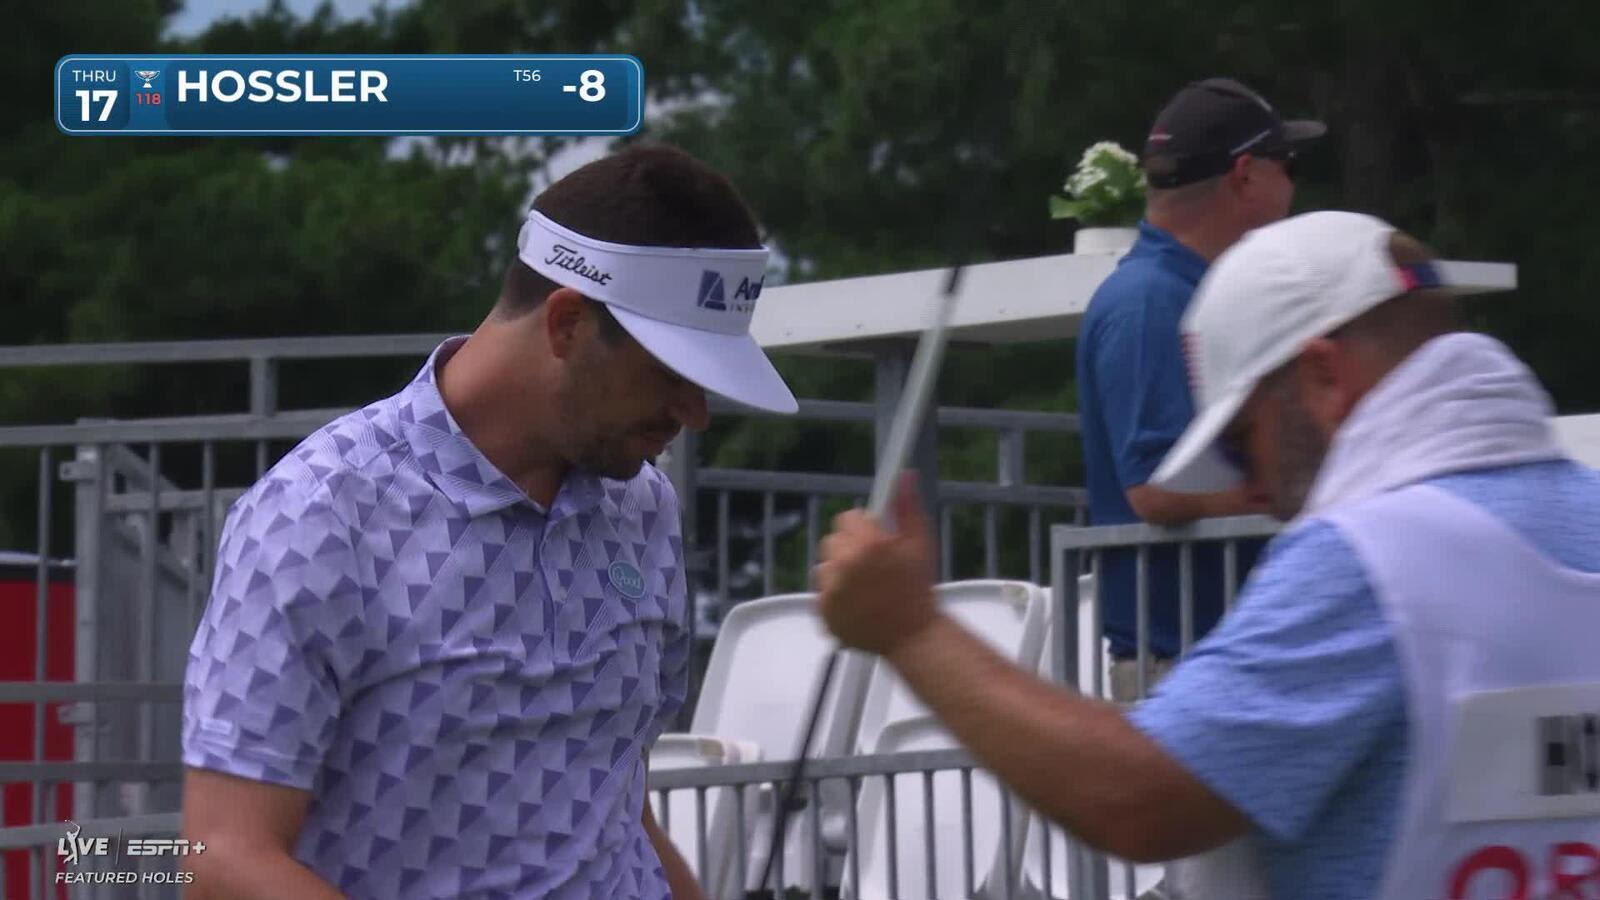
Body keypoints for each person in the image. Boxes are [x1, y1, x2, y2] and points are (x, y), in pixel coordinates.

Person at [816, 210, 1600, 898]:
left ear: (1322, 375)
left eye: (1239, 441)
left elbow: (1137, 797)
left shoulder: (1369, 560)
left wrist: (911, 628)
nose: (1253, 493)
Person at [180, 145, 798, 899]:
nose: (695, 416)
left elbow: (613, 806)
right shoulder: (318, 516)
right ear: (567, 322)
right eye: (670, 375)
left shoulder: (642, 504)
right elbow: (224, 859)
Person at [1076, 77, 1323, 696]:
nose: (1294, 186)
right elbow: (1155, 489)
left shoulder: (1186, 293)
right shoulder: (1151, 302)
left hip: (1208, 663)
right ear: (1245, 175)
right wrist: (1299, 493)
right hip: (1183, 671)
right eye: (1285, 165)